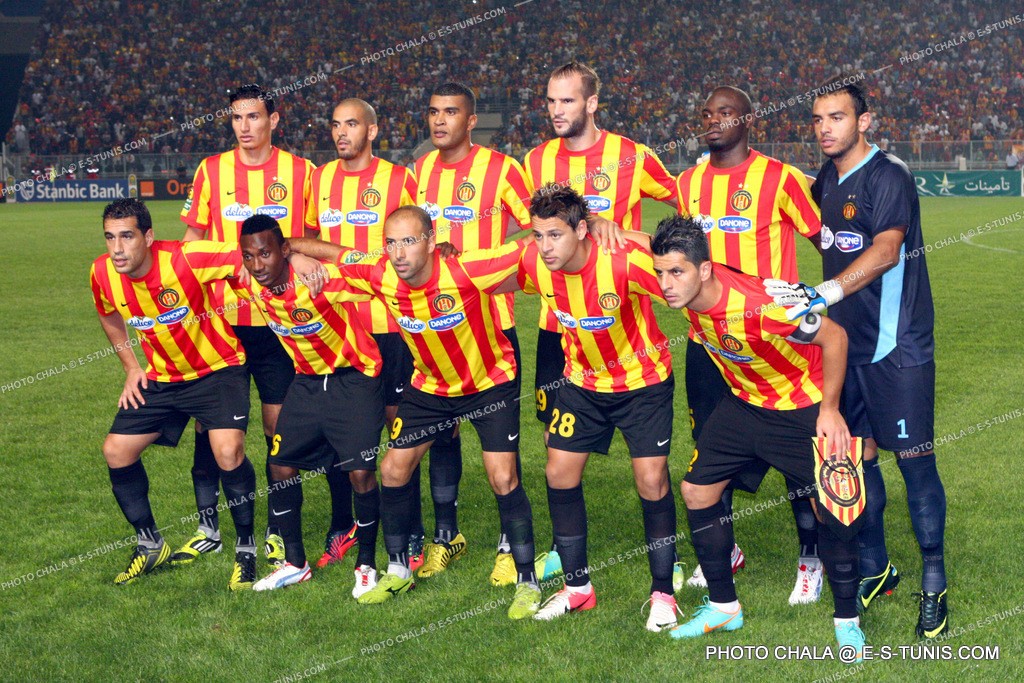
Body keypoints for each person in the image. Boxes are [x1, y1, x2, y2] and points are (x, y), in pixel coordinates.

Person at [288, 206, 541, 620]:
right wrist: (292, 250)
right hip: (430, 389)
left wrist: (590, 225)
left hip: (489, 383)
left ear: (430, 240)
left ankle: (528, 581)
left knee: (502, 477)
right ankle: (398, 570)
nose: (399, 252)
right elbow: (335, 253)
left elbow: (532, 246)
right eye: (391, 243)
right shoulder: (381, 274)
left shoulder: (466, 269)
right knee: (392, 469)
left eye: (408, 241)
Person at [767, 78, 947, 638]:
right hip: (846, 346)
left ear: (863, 121)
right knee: (856, 456)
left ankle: (934, 583)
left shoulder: (889, 174)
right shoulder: (826, 177)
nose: (825, 128)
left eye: (837, 117)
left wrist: (825, 293)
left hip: (897, 346)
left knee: (914, 462)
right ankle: (877, 566)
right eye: (818, 119)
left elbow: (886, 250)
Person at [648, 214, 864, 660]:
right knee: (697, 491)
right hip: (745, 403)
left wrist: (829, 410)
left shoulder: (761, 305)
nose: (665, 284)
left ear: (704, 270)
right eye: (660, 272)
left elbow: (837, 338)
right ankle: (724, 608)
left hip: (800, 406)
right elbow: (629, 244)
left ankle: (848, 622)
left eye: (676, 272)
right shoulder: (687, 290)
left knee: (834, 511)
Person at [522, 61, 678, 580]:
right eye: (550, 101)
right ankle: (563, 549)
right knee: (556, 444)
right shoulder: (536, 160)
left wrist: (625, 233)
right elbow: (532, 229)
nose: (556, 110)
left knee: (649, 469)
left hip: (620, 319)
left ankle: (670, 560)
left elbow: (684, 205)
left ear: (591, 103)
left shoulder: (632, 155)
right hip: (560, 326)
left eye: (567, 100)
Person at [676, 86, 825, 603]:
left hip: (773, 343)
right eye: (706, 113)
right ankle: (726, 552)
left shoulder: (780, 178)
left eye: (725, 113)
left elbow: (823, 243)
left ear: (748, 119)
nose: (713, 120)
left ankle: (811, 558)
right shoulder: (688, 183)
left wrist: (823, 302)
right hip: (708, 341)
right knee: (709, 450)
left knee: (797, 459)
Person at [509, 185, 679, 633]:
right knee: (558, 473)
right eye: (538, 235)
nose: (545, 246)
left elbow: (677, 266)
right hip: (582, 385)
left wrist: (629, 233)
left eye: (555, 235)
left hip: (643, 385)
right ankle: (578, 587)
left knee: (651, 481)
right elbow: (478, 273)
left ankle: (664, 592)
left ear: (582, 230)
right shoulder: (535, 263)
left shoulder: (621, 260)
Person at [175, 84, 316, 569]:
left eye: (253, 116)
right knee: (208, 423)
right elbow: (191, 241)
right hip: (221, 323)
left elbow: (312, 240)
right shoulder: (211, 171)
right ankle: (208, 527)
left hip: (279, 323)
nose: (244, 126)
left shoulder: (301, 172)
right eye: (236, 117)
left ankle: (277, 528)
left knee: (279, 428)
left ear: (273, 120)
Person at [89, 198, 259, 589]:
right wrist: (132, 367)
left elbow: (249, 253)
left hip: (218, 370)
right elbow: (106, 312)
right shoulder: (102, 271)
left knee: (228, 452)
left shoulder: (186, 257)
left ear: (148, 237)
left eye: (127, 237)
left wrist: (274, 267)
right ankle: (150, 543)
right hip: (163, 378)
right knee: (116, 451)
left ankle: (246, 548)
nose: (117, 249)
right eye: (110, 238)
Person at [214, 215, 384, 597]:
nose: (257, 265)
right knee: (280, 465)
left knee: (360, 473)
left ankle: (367, 564)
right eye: (249, 257)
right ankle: (295, 563)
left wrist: (302, 254)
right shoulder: (249, 281)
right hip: (306, 382)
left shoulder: (318, 280)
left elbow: (365, 264)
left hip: (354, 378)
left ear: (284, 250)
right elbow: (207, 262)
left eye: (266, 254)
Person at [413, 82, 535, 586]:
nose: (440, 121)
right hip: (435, 327)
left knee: (499, 444)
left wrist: (485, 261)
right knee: (441, 433)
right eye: (433, 112)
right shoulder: (419, 171)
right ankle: (447, 536)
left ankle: (509, 544)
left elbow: (538, 227)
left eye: (451, 112)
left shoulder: (502, 169)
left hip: (490, 327)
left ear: (471, 120)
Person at [304, 97, 418, 571]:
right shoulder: (319, 179)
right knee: (340, 432)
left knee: (400, 431)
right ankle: (344, 524)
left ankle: (410, 532)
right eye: (335, 125)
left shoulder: (399, 178)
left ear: (371, 130)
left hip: (389, 326)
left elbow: (414, 245)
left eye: (351, 124)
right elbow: (307, 242)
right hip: (337, 329)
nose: (341, 133)